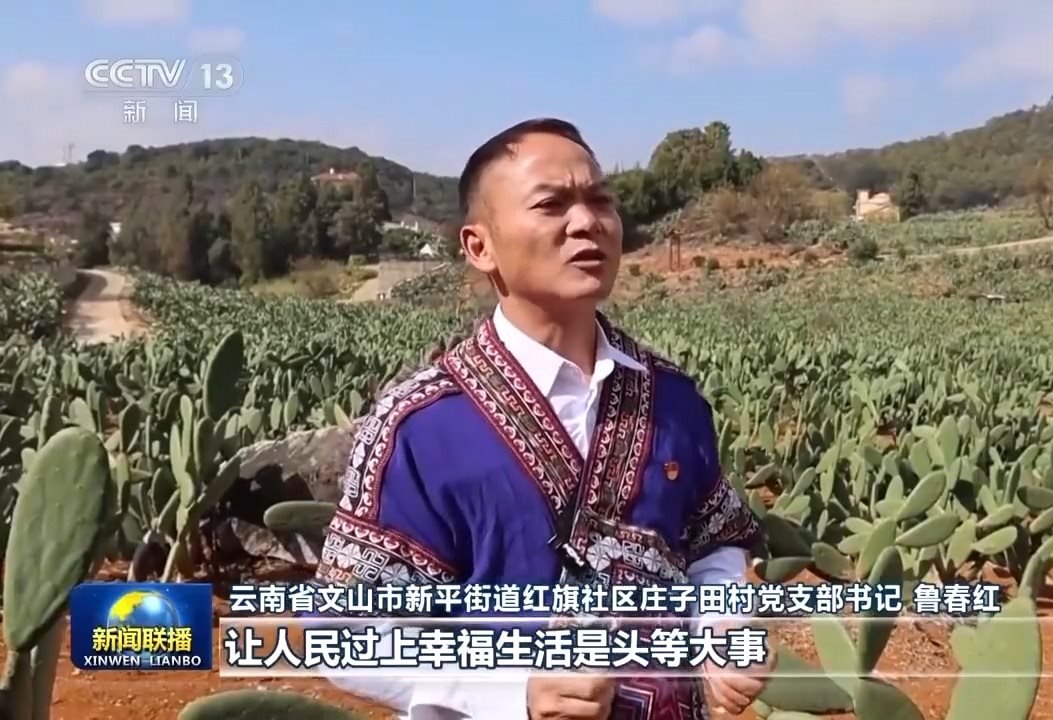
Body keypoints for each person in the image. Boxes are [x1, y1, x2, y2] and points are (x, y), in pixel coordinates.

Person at [313, 118, 772, 719]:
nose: (587, 222)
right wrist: (514, 692)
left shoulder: (673, 400)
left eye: (600, 200)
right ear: (480, 247)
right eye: (552, 204)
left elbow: (716, 544)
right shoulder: (420, 427)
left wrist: (722, 626)